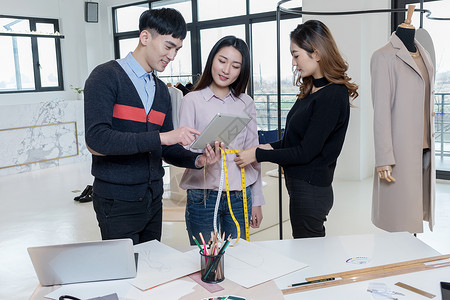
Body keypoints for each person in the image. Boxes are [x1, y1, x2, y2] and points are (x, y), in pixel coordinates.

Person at [84, 8, 220, 245]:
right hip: (118, 200)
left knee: (151, 273)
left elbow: (164, 147)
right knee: (126, 274)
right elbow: (97, 139)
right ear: (145, 37)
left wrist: (198, 161)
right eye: (168, 46)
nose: (172, 56)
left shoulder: (161, 92)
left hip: (152, 199)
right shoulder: (105, 76)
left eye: (177, 49)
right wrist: (162, 138)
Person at [235, 20, 358, 239]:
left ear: (317, 53)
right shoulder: (312, 90)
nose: (293, 63)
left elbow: (305, 151)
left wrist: (258, 154)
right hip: (302, 187)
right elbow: (294, 140)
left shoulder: (331, 95)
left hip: (310, 190)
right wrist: (268, 145)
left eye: (296, 55)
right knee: (308, 252)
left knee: (311, 256)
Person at [178, 36, 265, 245]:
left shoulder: (246, 103)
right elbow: (183, 151)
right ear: (212, 61)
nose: (226, 70)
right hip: (202, 195)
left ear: (241, 71)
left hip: (239, 196)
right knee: (207, 261)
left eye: (235, 66)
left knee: (239, 259)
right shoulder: (191, 100)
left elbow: (254, 154)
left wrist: (257, 201)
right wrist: (203, 157)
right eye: (222, 61)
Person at [371, 5, 435, 234]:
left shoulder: (424, 54)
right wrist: (383, 158)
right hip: (399, 150)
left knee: (415, 210)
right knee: (399, 217)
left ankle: (411, 256)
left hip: (425, 147)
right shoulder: (383, 56)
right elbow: (381, 111)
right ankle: (397, 258)